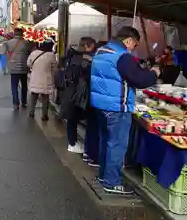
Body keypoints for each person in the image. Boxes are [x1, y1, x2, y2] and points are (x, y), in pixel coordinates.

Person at [90, 26, 159, 195]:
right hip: (117, 107)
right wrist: (154, 73)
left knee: (106, 141)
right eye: (134, 45)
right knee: (117, 145)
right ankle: (112, 182)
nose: (133, 49)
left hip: (100, 105)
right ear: (128, 40)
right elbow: (139, 80)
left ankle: (104, 176)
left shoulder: (101, 51)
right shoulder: (123, 56)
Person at [59, 37, 97, 156]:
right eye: (93, 46)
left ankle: (73, 143)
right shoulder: (84, 59)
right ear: (87, 45)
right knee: (88, 119)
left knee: (72, 119)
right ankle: (76, 145)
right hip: (79, 94)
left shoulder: (71, 56)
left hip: (70, 91)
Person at [27, 41, 57, 120]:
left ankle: (31, 112)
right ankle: (44, 115)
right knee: (45, 97)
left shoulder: (34, 53)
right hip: (46, 79)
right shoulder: (51, 55)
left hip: (35, 78)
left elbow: (28, 64)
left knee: (34, 96)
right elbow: (54, 68)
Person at [6, 28, 32, 110]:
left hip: (13, 67)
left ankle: (15, 104)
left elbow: (6, 52)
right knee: (24, 86)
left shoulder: (9, 43)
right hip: (24, 67)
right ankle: (24, 102)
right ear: (22, 33)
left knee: (14, 86)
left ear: (14, 33)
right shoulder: (26, 43)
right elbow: (29, 53)